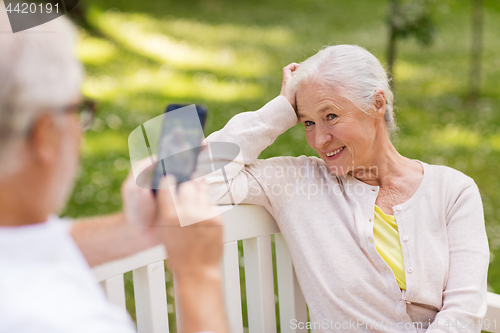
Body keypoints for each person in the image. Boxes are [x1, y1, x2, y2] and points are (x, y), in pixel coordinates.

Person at [205, 45, 490, 332]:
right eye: (307, 122)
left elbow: (464, 310)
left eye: (330, 116)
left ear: (377, 104)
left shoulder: (453, 191)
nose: (319, 139)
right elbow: (174, 180)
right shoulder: (296, 183)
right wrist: (277, 112)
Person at [0, 12, 228, 333]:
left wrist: (133, 228)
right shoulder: (60, 320)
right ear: (45, 135)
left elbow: (22, 248)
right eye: (78, 110)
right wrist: (198, 275)